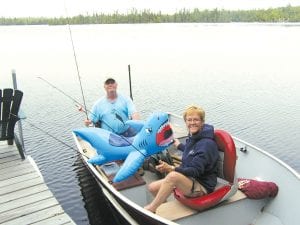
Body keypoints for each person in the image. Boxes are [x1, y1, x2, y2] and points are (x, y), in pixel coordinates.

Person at [144, 105, 219, 213]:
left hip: (201, 186)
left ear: (202, 122)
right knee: (152, 187)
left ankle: (152, 208)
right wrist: (179, 146)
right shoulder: (195, 137)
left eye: (196, 120)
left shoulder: (206, 144)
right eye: (189, 120)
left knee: (172, 176)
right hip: (189, 179)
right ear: (186, 122)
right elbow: (193, 152)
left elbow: (195, 171)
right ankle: (166, 211)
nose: (192, 123)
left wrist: (171, 168)